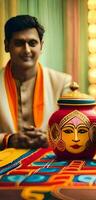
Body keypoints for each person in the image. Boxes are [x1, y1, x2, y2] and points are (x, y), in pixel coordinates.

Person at [0, 15, 72, 149]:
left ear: (41, 46)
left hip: (51, 165)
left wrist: (49, 138)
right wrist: (8, 139)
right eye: (19, 43)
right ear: (6, 45)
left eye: (32, 43)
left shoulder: (61, 83)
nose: (27, 50)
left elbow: (79, 129)